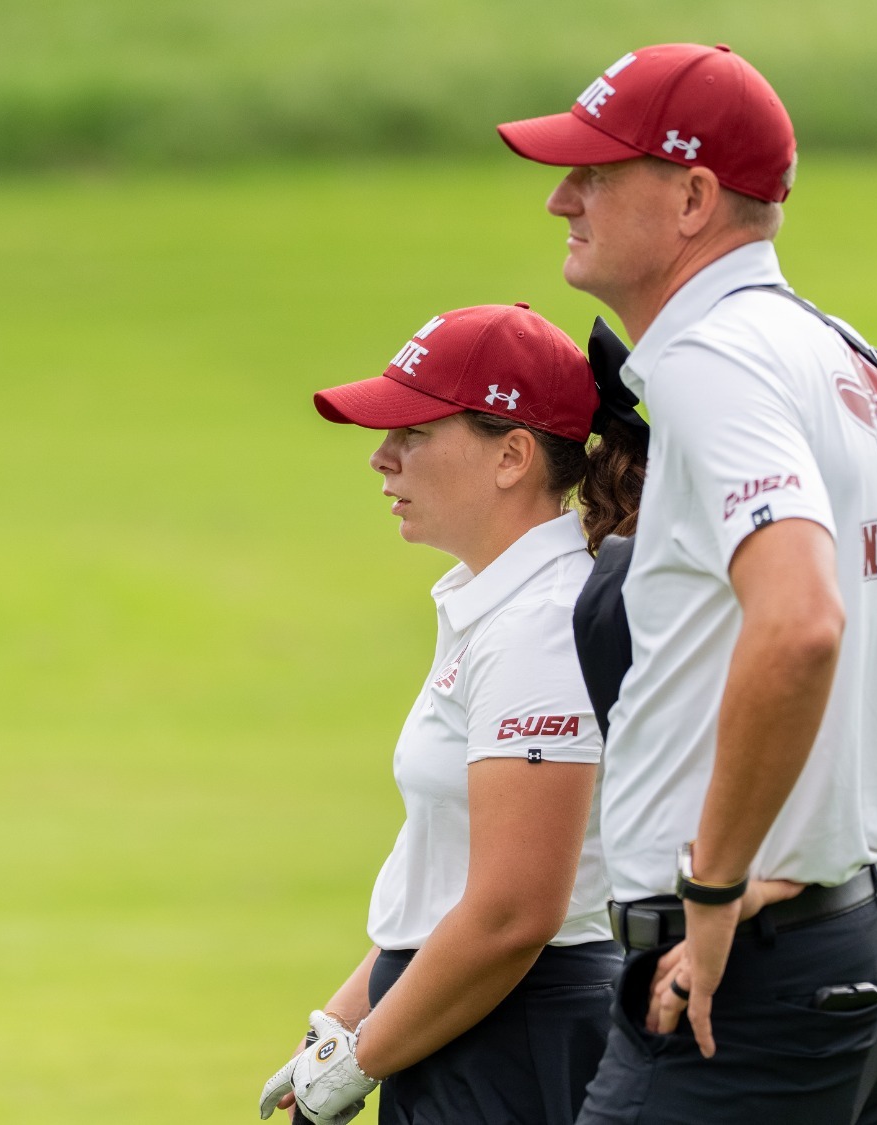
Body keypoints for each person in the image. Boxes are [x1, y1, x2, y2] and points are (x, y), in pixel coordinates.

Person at [495, 43, 877, 1123]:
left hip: (733, 981)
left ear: (692, 198)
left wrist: (717, 883)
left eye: (596, 173)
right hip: (838, 939)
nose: (562, 197)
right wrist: (819, 823)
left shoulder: (715, 363)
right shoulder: (842, 355)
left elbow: (799, 622)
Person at [258, 302, 648, 1125]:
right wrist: (342, 1024)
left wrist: (363, 1056)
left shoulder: (540, 627)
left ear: (511, 456)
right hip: (460, 1023)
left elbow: (514, 912)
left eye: (414, 433)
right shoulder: (497, 606)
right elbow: (441, 883)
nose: (382, 456)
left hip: (518, 1041)